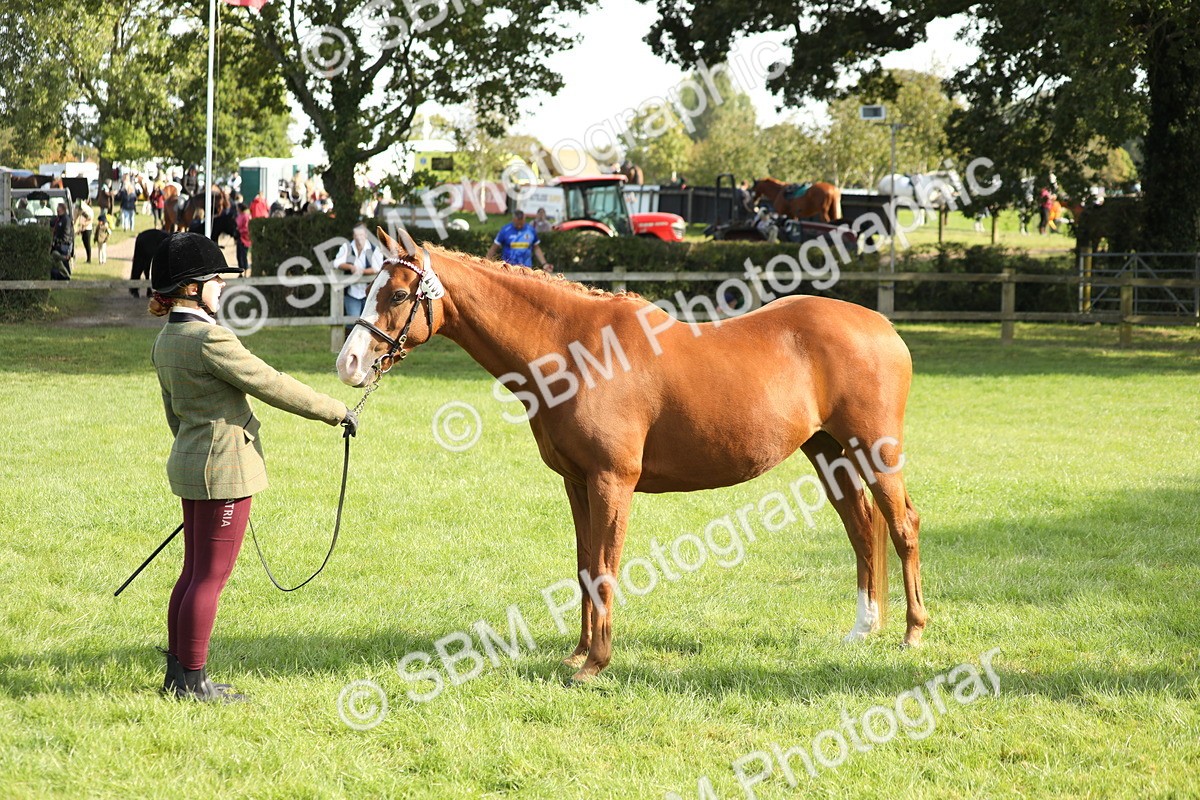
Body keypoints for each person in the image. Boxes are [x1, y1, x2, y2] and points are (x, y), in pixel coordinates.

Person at [147, 233, 358, 701]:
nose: (223, 285)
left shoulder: (166, 340)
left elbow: (173, 414)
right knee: (209, 578)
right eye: (216, 279)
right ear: (192, 288)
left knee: (192, 573)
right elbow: (272, 384)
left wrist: (194, 457)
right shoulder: (210, 338)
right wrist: (336, 410)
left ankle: (179, 676)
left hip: (191, 464)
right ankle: (194, 683)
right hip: (224, 471)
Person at [334, 223, 384, 335]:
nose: (359, 237)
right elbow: (336, 263)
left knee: (368, 323)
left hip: (369, 293)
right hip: (351, 292)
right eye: (356, 235)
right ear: (353, 235)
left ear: (366, 235)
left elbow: (378, 267)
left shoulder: (373, 249)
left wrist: (362, 272)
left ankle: (364, 345)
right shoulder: (347, 247)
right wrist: (350, 267)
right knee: (352, 321)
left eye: (361, 235)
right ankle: (347, 344)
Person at [486, 209, 552, 272]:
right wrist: (486, 263)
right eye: (517, 224)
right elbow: (494, 248)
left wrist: (544, 264)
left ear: (524, 220)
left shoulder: (531, 230)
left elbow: (536, 248)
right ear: (513, 220)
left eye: (521, 224)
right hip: (508, 269)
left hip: (526, 270)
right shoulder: (505, 230)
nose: (519, 226)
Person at [75, 197, 95, 263]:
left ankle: (89, 259)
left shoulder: (88, 210)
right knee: (85, 243)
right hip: (84, 228)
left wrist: (83, 225)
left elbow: (90, 219)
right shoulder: (84, 210)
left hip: (87, 229)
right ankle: (88, 258)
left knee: (87, 244)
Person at [235, 202, 251, 274]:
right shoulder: (239, 215)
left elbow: (246, 228)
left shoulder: (246, 216)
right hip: (239, 237)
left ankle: (246, 272)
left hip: (245, 239)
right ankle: (241, 272)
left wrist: (239, 230)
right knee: (239, 256)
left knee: (244, 256)